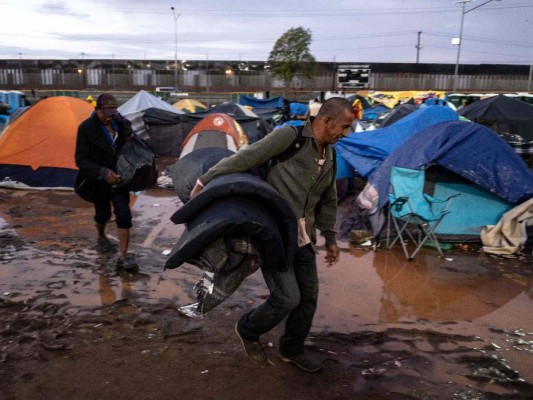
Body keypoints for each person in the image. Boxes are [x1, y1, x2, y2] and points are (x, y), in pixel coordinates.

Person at [190, 97, 354, 372]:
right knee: (288, 298)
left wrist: (331, 237)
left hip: (305, 239)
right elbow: (247, 156)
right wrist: (205, 180)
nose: (346, 134)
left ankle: (292, 350)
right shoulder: (290, 137)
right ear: (326, 121)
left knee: (309, 298)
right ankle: (248, 328)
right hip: (276, 235)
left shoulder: (331, 154)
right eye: (345, 127)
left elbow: (328, 198)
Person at [75, 93, 137, 271]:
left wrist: (128, 131)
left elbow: (130, 146)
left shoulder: (120, 124)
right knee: (103, 214)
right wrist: (102, 172)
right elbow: (80, 160)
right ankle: (101, 235)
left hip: (120, 179)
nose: (109, 116)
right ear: (96, 109)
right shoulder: (86, 128)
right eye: (105, 112)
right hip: (99, 181)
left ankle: (124, 256)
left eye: (112, 111)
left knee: (124, 214)